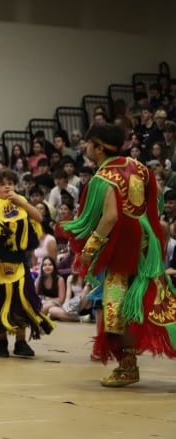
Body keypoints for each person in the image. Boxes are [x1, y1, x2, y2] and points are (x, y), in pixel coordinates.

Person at [61, 123, 176, 387]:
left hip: (122, 248)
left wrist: (89, 249)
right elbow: (155, 200)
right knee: (153, 300)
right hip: (144, 244)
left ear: (99, 147)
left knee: (118, 305)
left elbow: (111, 216)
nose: (85, 148)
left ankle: (127, 368)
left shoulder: (104, 179)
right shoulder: (138, 166)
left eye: (88, 144)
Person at [0, 169, 54, 358]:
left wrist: (20, 201)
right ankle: (1, 342)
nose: (7, 186)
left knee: (22, 303)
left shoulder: (21, 202)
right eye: (2, 184)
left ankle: (21, 342)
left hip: (19, 262)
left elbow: (39, 218)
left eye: (10, 183)